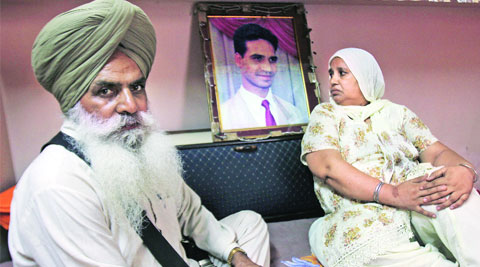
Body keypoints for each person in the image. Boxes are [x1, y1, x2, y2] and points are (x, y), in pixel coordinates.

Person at [8, 1, 270, 266]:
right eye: (106, 91)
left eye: (136, 87)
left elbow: (192, 213)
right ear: (73, 101)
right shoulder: (57, 183)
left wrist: (236, 255)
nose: (131, 105)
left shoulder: (138, 147)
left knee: (250, 222)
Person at [301, 48, 480, 267]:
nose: (333, 81)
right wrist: (393, 194)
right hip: (362, 210)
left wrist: (465, 170)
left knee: (447, 186)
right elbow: (327, 167)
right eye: (331, 73)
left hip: (416, 201)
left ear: (365, 75)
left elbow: (435, 152)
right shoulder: (326, 114)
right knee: (366, 243)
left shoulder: (398, 113)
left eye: (342, 72)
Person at [220, 23, 304, 130]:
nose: (268, 68)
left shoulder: (292, 111)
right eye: (258, 59)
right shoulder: (224, 116)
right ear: (239, 60)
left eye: (272, 60)